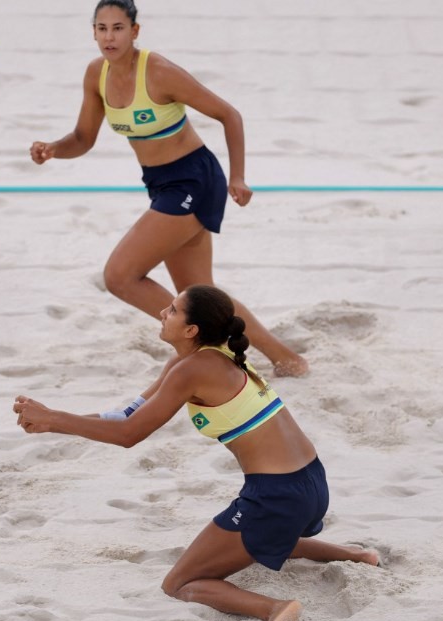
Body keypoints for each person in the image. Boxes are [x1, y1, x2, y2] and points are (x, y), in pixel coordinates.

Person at [13, 284, 380, 621]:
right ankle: (354, 555)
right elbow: (125, 415)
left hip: (278, 498)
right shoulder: (200, 359)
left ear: (191, 329)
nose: (161, 312)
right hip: (311, 483)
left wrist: (55, 417)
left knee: (180, 583)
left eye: (171, 310)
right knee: (261, 537)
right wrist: (52, 422)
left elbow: (129, 435)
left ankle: (274, 607)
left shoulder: (192, 370)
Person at [29, 0, 307, 377]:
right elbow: (83, 137)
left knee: (120, 276)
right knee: (201, 290)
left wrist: (238, 176)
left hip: (194, 179)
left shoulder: (158, 72)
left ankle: (199, 343)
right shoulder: (96, 75)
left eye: (118, 28)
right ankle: (287, 359)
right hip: (161, 184)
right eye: (102, 28)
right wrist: (53, 149)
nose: (109, 37)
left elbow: (229, 115)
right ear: (93, 32)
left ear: (135, 32)